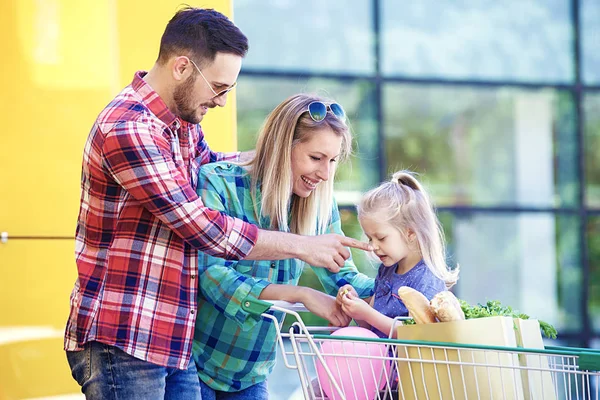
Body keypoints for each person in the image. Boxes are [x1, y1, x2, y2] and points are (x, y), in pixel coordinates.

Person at [64, 8, 371, 400]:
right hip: (124, 336)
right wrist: (303, 247)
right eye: (219, 87)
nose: (223, 101)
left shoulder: (181, 126)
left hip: (170, 338)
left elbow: (213, 162)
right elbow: (203, 228)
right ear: (181, 68)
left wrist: (278, 159)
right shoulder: (129, 129)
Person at [191, 94, 375, 399]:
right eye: (316, 158)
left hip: (252, 373)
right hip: (196, 363)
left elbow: (343, 275)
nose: (326, 174)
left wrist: (396, 282)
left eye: (332, 160)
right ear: (281, 147)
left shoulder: (319, 204)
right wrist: (300, 294)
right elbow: (213, 277)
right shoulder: (220, 184)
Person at [338, 171, 459, 338]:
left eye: (381, 238)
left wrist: (366, 313)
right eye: (369, 238)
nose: (373, 246)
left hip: (407, 364)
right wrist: (355, 304)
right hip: (380, 361)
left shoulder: (426, 278)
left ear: (410, 232)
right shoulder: (386, 271)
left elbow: (417, 334)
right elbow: (372, 326)